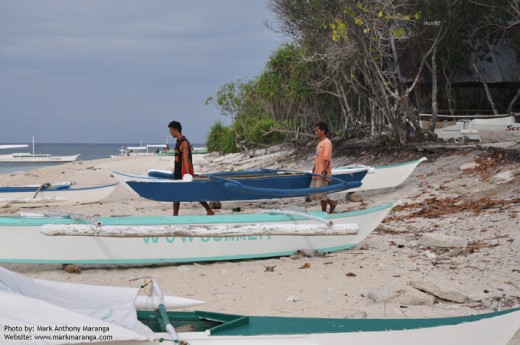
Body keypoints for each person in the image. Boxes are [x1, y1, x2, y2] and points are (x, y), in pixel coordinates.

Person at [168, 121, 214, 216]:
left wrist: (188, 175)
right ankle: (175, 215)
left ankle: (209, 210)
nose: (170, 133)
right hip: (178, 172)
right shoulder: (178, 142)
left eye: (171, 130)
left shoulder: (184, 143)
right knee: (176, 195)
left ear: (175, 130)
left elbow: (185, 160)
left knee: (194, 193)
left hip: (184, 173)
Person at [310, 121, 338, 213]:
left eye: (317, 130)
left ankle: (324, 213)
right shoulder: (319, 143)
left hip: (322, 173)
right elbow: (318, 157)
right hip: (316, 172)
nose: (315, 132)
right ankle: (332, 203)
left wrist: (325, 171)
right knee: (314, 194)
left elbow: (327, 158)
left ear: (323, 131)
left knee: (321, 194)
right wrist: (314, 168)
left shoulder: (327, 143)